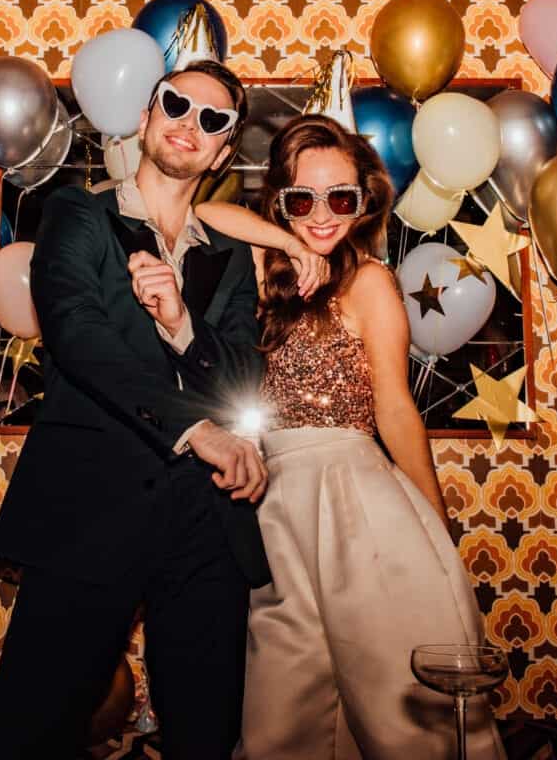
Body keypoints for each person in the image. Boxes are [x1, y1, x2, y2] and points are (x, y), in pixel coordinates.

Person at [0, 61, 308, 760]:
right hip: (86, 507)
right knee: (33, 726)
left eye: (213, 119)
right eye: (176, 104)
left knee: (205, 731)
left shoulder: (227, 258)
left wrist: (180, 322)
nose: (190, 123)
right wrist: (199, 431)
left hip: (203, 524)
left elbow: (239, 370)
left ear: (223, 153)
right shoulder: (78, 215)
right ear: (145, 117)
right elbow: (78, 336)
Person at [196, 114, 506, 760]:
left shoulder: (369, 282)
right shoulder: (262, 270)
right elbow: (201, 216)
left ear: (364, 201)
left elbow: (395, 408)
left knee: (391, 690)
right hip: (271, 504)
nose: (321, 215)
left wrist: (435, 525)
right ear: (278, 200)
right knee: (287, 701)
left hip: (354, 502)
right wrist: (286, 241)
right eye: (300, 199)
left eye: (340, 197)